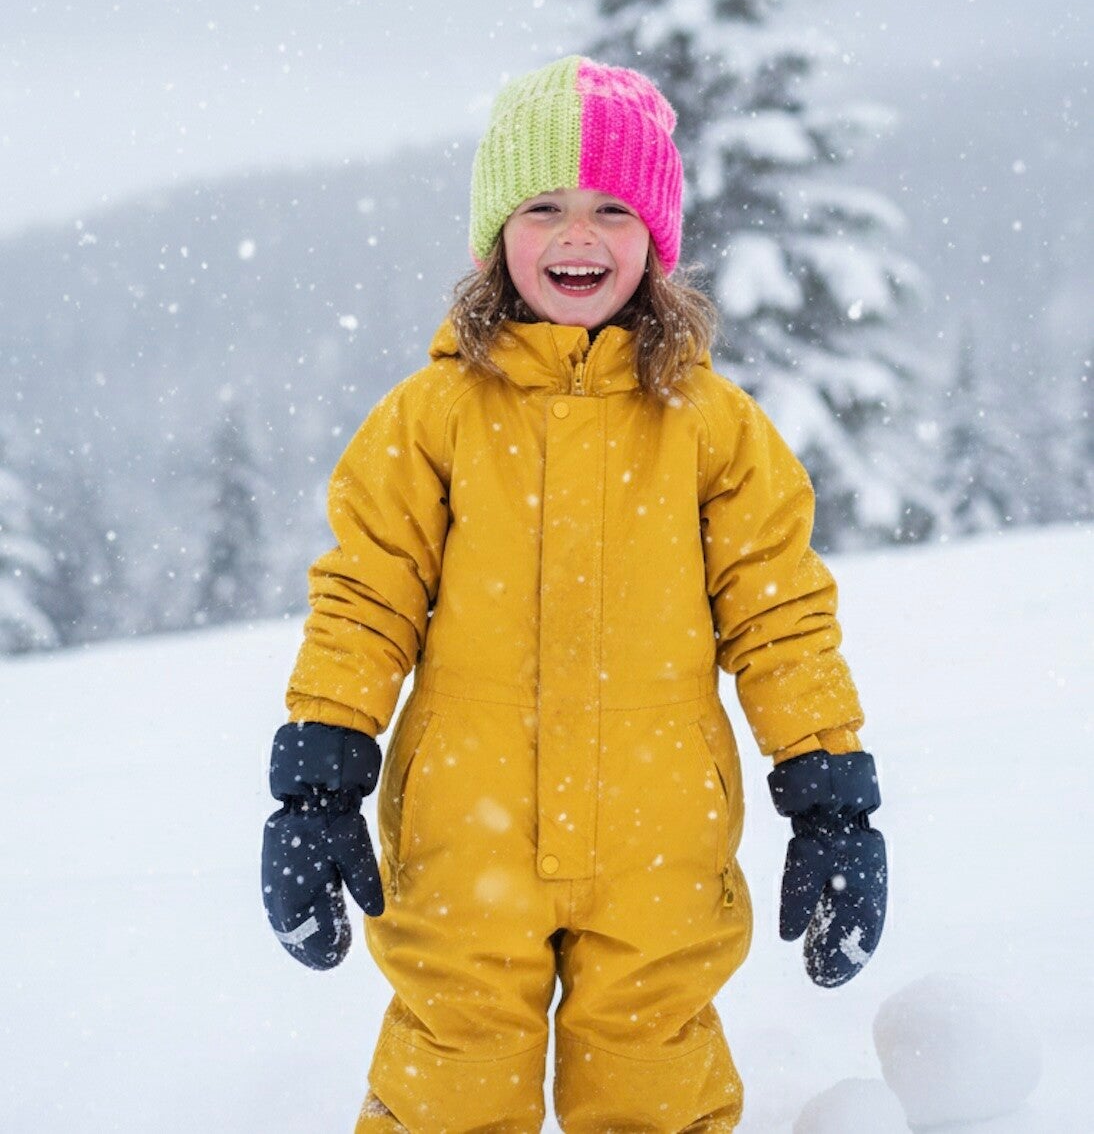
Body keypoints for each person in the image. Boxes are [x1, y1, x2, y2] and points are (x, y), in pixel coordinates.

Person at [261, 56, 888, 1133]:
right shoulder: (433, 415)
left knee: (652, 1070)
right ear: (496, 233)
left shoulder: (711, 425)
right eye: (542, 207)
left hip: (660, 835)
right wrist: (317, 778)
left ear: (655, 235)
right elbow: (365, 597)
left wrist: (828, 791)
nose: (576, 237)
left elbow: (778, 612)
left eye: (610, 208)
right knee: (451, 1068)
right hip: (466, 828)